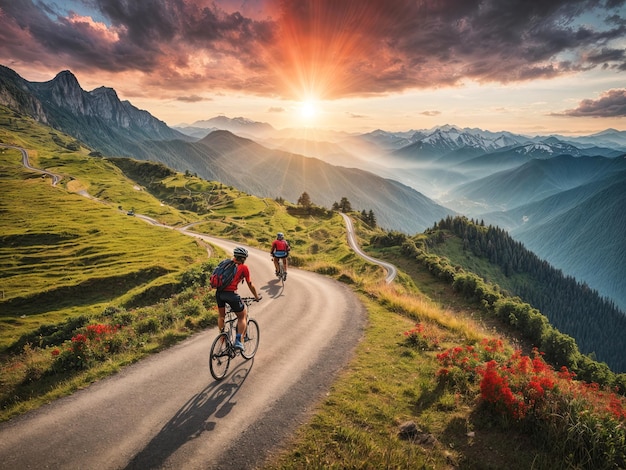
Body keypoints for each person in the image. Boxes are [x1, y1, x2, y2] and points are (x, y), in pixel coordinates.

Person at [215, 246, 261, 351]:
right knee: (242, 316)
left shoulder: (225, 264)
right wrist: (256, 296)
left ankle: (223, 336)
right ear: (244, 258)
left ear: (235, 256)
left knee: (222, 316)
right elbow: (250, 284)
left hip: (219, 294)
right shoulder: (244, 268)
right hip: (231, 295)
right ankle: (238, 341)